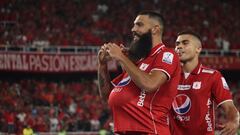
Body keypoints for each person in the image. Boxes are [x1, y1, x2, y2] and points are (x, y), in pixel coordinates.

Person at [98, 10, 181, 135]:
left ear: (155, 29)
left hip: (150, 131)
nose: (133, 29)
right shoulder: (138, 61)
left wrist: (121, 57)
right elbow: (106, 97)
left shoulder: (166, 54)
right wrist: (102, 65)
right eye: (134, 25)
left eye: (139, 25)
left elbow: (150, 84)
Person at [169, 30, 239, 135]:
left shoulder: (212, 76)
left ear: (198, 49)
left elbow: (229, 106)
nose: (179, 47)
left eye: (185, 43)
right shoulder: (167, 76)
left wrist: (234, 120)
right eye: (177, 44)